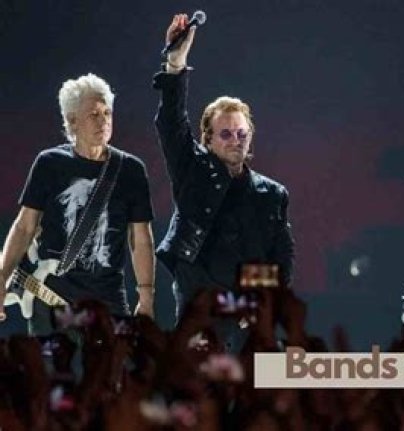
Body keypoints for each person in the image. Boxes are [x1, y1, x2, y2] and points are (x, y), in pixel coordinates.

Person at [152, 15, 295, 342]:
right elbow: (172, 124)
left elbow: (281, 259)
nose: (236, 140)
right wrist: (176, 64)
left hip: (248, 320)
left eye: (242, 133)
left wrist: (255, 305)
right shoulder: (193, 171)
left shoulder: (272, 194)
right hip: (200, 312)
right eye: (226, 134)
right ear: (208, 139)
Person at [0, 73, 155, 334]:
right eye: (94, 114)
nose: (103, 121)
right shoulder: (49, 163)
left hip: (108, 304)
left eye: (107, 113)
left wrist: (147, 296)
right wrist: (2, 277)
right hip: (50, 301)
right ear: (72, 121)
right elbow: (25, 227)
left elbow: (141, 239)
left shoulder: (131, 170)